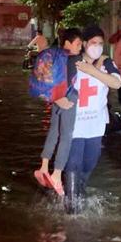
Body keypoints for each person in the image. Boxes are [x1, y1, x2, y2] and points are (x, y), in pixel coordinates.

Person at [63, 27, 121, 212]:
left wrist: (92, 70)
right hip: (74, 124)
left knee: (89, 162)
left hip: (95, 125)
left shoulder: (107, 62)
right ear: (85, 44)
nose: (96, 46)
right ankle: (73, 209)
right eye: (92, 42)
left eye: (100, 43)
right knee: (73, 164)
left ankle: (78, 192)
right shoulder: (73, 61)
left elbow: (116, 83)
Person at [34, 28, 84, 196]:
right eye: (78, 43)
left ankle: (43, 167)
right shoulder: (74, 58)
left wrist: (55, 98)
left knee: (54, 132)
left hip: (55, 98)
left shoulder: (55, 55)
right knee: (66, 135)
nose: (80, 47)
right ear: (68, 43)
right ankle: (56, 174)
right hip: (67, 99)